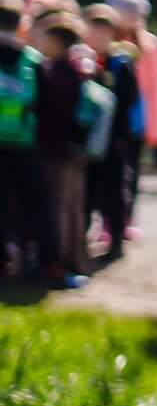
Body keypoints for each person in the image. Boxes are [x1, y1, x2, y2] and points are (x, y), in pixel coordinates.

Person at [29, 15, 93, 288]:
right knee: (71, 206)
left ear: (57, 41)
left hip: (58, 151)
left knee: (59, 207)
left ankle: (61, 263)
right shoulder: (76, 68)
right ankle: (73, 260)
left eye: (45, 37)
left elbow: (54, 113)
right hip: (72, 150)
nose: (39, 42)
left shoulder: (59, 71)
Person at [104, 0, 157, 242]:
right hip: (108, 115)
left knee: (132, 169)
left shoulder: (149, 45)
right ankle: (107, 220)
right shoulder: (105, 40)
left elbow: (155, 87)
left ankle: (127, 218)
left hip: (135, 117)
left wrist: (156, 124)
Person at [82, 5, 140, 264]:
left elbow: (130, 98)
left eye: (104, 32)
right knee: (86, 190)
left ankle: (115, 240)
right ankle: (81, 238)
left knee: (114, 191)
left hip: (115, 139)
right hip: (86, 139)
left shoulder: (121, 63)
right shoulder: (81, 60)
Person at [0, 0, 44, 281]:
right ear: (22, 24)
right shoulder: (33, 60)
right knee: (28, 205)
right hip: (26, 144)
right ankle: (29, 260)